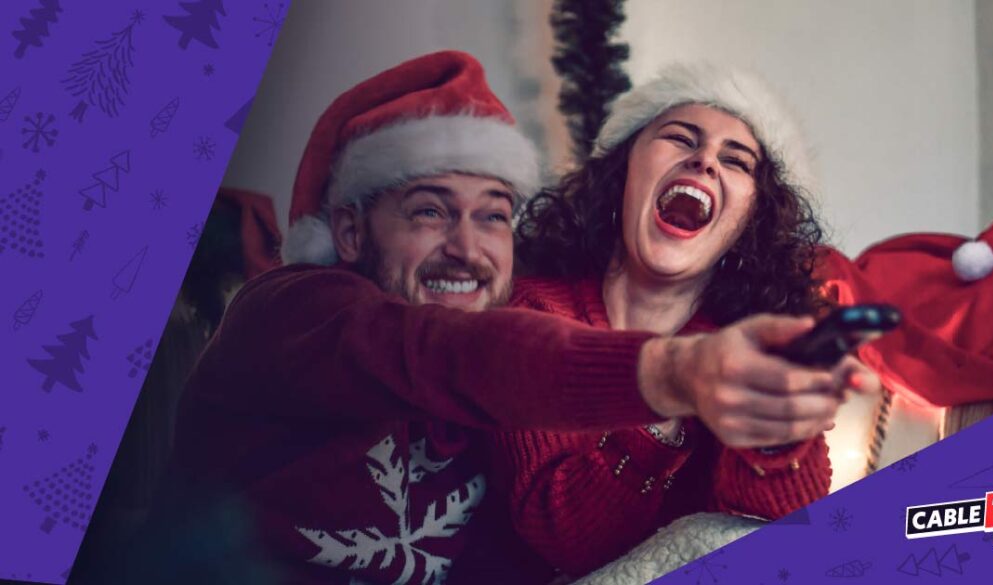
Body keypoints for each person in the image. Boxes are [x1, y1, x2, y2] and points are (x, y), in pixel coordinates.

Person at [118, 52, 868, 585]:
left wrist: (775, 416)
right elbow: (444, 353)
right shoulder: (295, 311)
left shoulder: (501, 347)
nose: (467, 248)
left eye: (494, 216)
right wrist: (674, 375)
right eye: (429, 211)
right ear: (348, 231)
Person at [488, 62, 879, 578]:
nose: (705, 161)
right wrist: (674, 392)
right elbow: (562, 537)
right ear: (623, 172)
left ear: (749, 221)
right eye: (679, 138)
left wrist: (778, 426)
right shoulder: (534, 312)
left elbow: (778, 533)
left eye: (735, 161)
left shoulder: (744, 344)